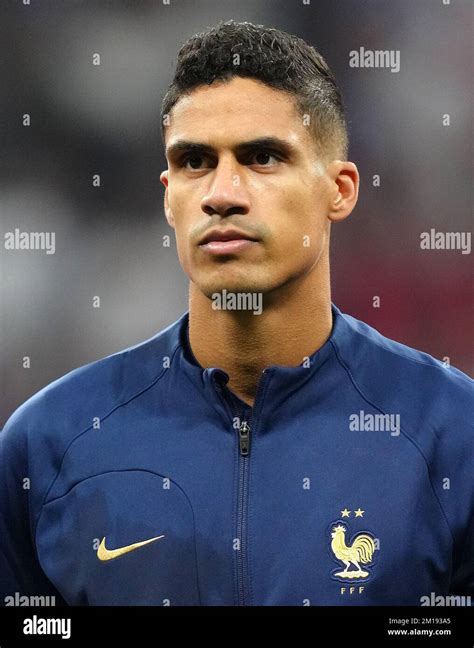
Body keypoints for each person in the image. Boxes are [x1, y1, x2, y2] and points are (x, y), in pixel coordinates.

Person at [1, 20, 472, 607]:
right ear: (168, 195)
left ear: (341, 189)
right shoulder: (45, 444)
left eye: (262, 157)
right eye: (196, 161)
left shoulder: (454, 434)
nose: (222, 192)